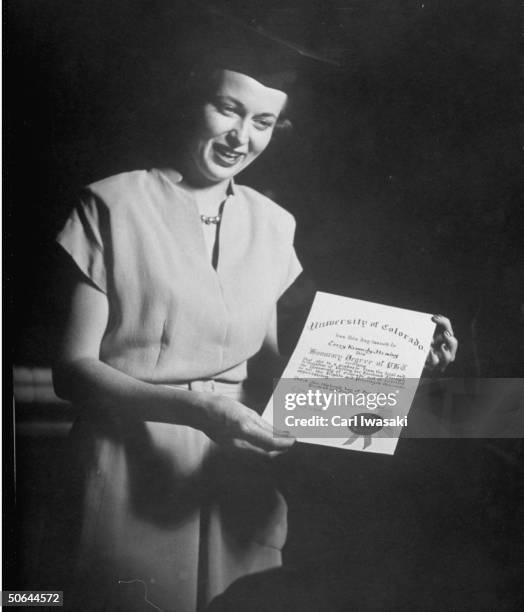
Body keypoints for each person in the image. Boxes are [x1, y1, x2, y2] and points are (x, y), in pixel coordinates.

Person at [51, 21, 458, 612]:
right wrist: (198, 408)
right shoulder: (109, 204)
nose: (241, 137)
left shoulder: (274, 224)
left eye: (262, 122)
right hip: (126, 473)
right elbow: (72, 370)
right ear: (195, 99)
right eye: (228, 109)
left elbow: (273, 385)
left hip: (235, 485)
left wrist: (401, 366)